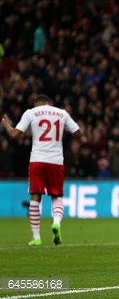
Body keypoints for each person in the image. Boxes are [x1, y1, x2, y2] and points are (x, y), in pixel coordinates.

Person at [1, 94, 83, 246]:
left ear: (36, 104)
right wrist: (63, 128)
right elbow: (79, 132)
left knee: (35, 196)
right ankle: (56, 223)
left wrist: (6, 124)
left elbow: (14, 135)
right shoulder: (62, 113)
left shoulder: (31, 113)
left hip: (37, 160)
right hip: (56, 161)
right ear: (49, 103)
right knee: (56, 196)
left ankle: (36, 237)